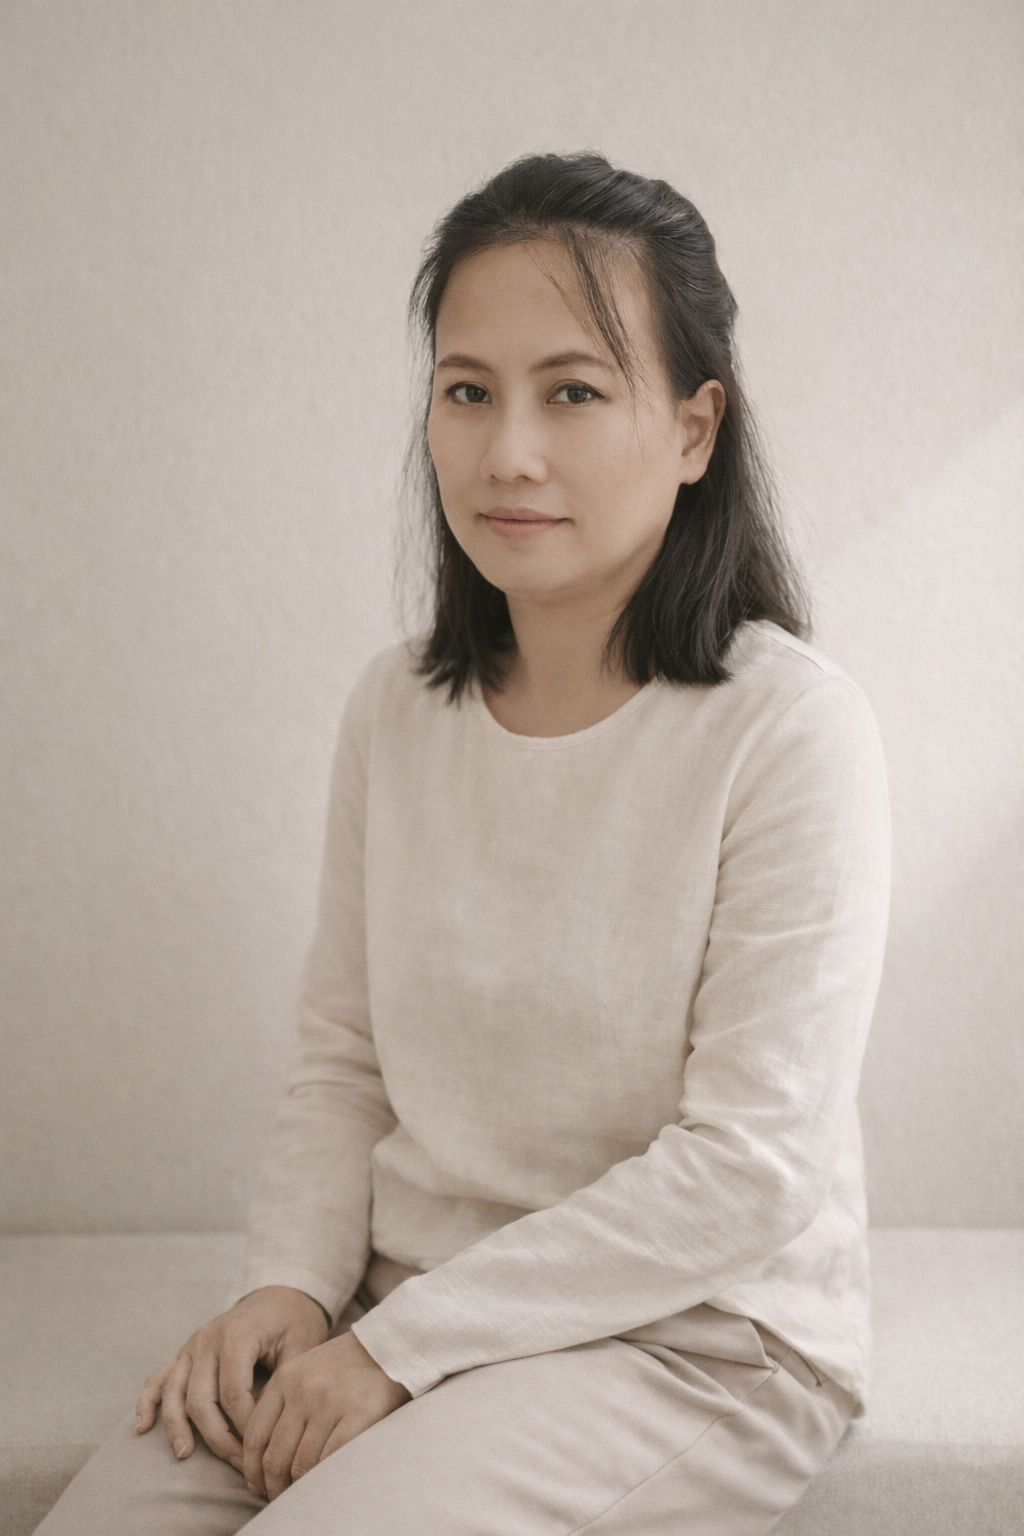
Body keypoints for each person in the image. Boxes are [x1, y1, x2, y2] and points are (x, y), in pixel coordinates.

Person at [36, 152, 890, 1535]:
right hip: (402, 1306)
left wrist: (398, 1350)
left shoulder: (788, 730)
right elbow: (345, 1061)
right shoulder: (397, 708)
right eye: (467, 391)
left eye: (574, 390)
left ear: (693, 427)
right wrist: (294, 1290)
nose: (508, 453)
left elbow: (749, 1171)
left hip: (693, 1340)